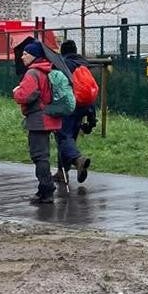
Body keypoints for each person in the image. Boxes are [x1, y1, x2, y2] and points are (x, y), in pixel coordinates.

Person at [11, 39, 62, 204]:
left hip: (38, 119)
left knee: (39, 156)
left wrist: (16, 92)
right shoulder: (48, 70)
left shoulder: (33, 73)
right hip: (49, 117)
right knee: (43, 155)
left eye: (26, 54)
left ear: (34, 56)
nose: (22, 57)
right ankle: (43, 190)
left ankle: (47, 190)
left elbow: (26, 95)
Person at [55, 40, 93, 185]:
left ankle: (78, 160)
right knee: (70, 138)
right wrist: (91, 116)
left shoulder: (63, 64)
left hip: (67, 106)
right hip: (83, 106)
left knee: (63, 138)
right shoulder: (83, 64)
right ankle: (62, 172)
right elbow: (89, 88)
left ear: (62, 51)